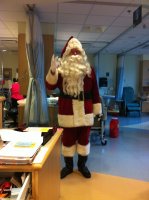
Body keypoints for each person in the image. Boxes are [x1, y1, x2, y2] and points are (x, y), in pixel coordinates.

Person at [46, 37, 102, 179]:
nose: (75, 54)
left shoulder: (89, 71)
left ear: (82, 54)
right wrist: (52, 72)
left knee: (84, 140)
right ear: (66, 55)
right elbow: (50, 86)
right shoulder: (61, 71)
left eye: (78, 51)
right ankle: (69, 167)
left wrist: (98, 110)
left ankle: (82, 166)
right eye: (72, 52)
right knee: (68, 141)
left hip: (86, 113)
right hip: (67, 113)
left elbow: (95, 91)